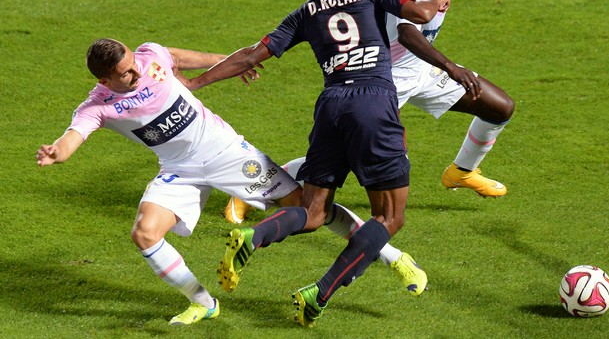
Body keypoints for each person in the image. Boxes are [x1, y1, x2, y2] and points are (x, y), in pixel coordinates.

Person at [34, 38, 426, 326]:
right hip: (178, 170)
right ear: (106, 79)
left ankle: (396, 258)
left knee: (308, 211)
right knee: (145, 233)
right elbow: (73, 138)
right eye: (125, 73)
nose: (136, 72)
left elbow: (182, 58)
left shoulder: (150, 55)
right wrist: (57, 152)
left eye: (134, 63)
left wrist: (227, 62)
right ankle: (202, 301)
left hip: (225, 151)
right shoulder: (97, 107)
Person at [182, 0, 468, 327]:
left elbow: (250, 55)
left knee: (313, 210)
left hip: (332, 106)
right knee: (390, 218)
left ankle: (255, 236)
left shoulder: (305, 12)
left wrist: (195, 84)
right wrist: (435, 3)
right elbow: (416, 16)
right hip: (372, 103)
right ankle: (320, 291)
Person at [386, 0, 515, 197]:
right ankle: (276, 182)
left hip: (422, 68)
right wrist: (450, 67)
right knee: (346, 157)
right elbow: (407, 34)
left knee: (500, 107)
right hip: (387, 78)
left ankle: (462, 171)